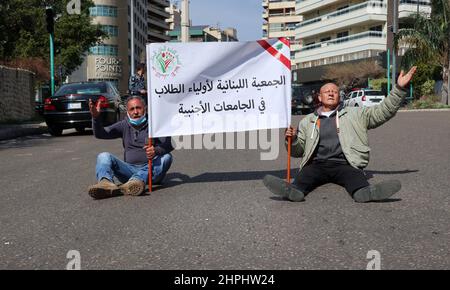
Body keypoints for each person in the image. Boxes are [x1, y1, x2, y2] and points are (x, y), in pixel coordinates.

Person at [264, 67, 417, 203]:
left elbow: (382, 112)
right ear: (319, 97)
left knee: (356, 179)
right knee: (303, 177)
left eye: (335, 91)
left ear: (339, 96)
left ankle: (366, 193)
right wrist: (292, 139)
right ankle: (292, 191)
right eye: (327, 91)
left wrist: (398, 89)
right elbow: (297, 152)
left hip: (345, 163)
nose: (331, 92)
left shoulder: (356, 114)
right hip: (317, 164)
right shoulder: (307, 121)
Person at [87, 95, 173, 199]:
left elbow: (171, 143)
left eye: (138, 108)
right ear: (127, 111)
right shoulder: (124, 125)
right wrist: (96, 118)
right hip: (129, 171)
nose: (135, 112)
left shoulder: (154, 125)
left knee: (167, 157)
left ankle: (137, 181)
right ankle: (106, 184)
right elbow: (100, 134)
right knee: (103, 156)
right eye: (132, 109)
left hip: (151, 172)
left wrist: (156, 150)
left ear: (144, 108)